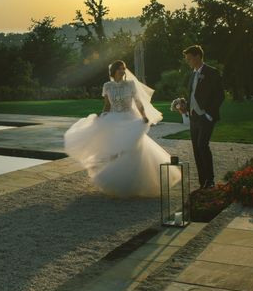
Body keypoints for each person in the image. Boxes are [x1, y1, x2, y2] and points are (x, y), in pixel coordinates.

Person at [64, 60, 177, 197]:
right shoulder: (107, 86)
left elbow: (138, 102)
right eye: (120, 69)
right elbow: (107, 105)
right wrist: (102, 116)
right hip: (113, 119)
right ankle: (115, 181)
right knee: (114, 151)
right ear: (114, 71)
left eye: (124, 69)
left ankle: (134, 180)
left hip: (129, 119)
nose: (123, 71)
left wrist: (144, 115)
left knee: (132, 150)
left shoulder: (130, 84)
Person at [178, 45, 224, 189]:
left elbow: (219, 96)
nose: (188, 61)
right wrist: (185, 106)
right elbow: (191, 94)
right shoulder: (192, 74)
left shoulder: (212, 72)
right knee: (196, 148)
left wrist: (209, 114)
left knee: (202, 145)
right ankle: (202, 181)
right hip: (194, 117)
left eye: (189, 58)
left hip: (206, 116)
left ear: (197, 56)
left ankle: (210, 180)